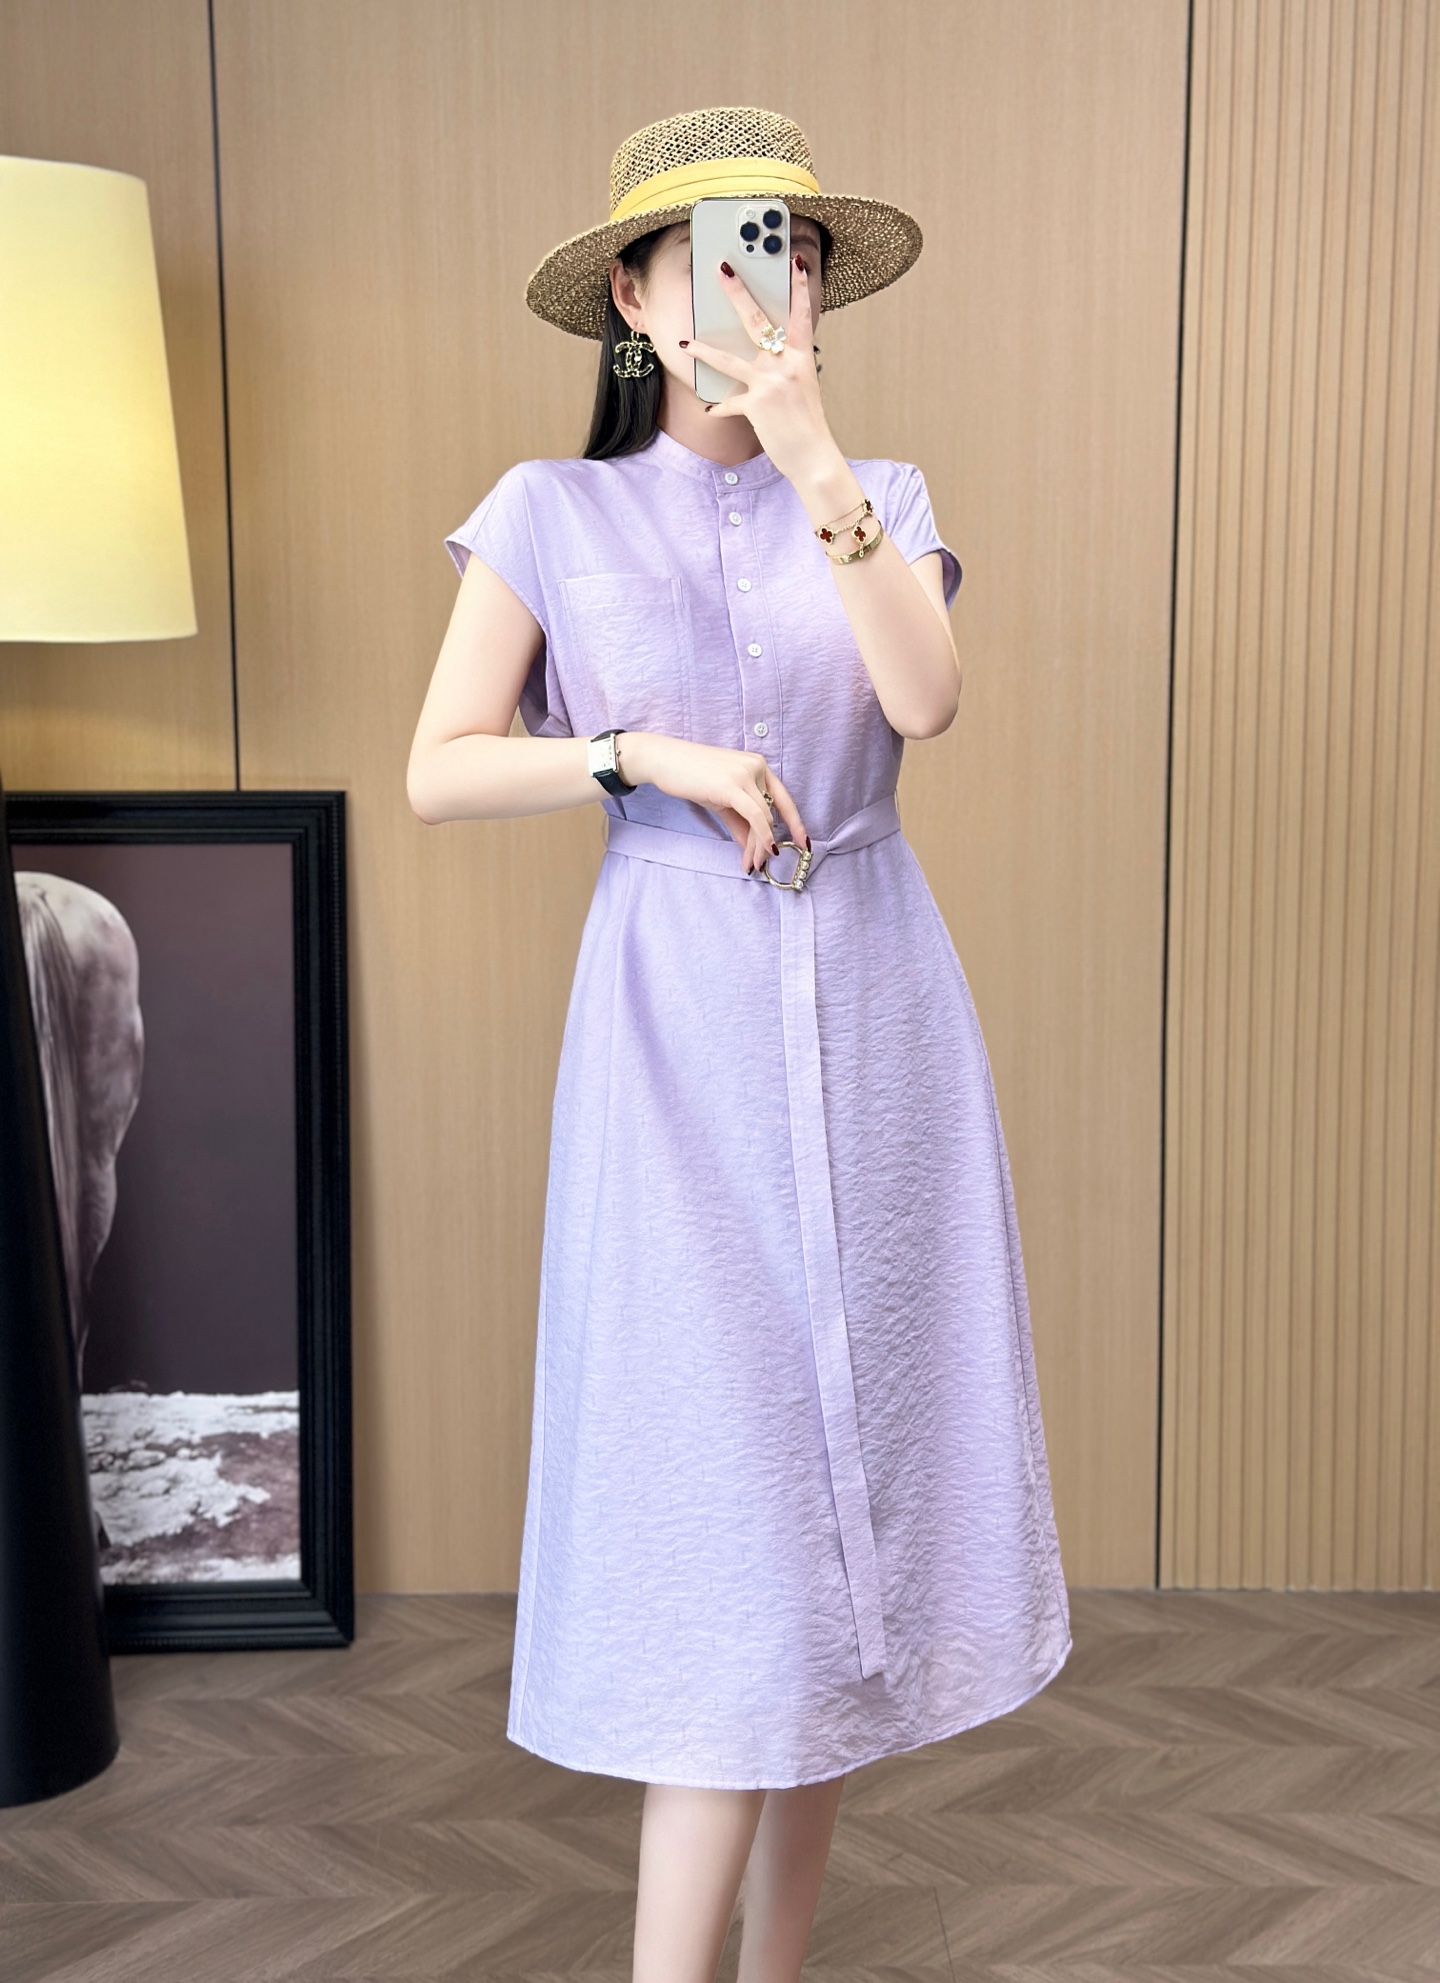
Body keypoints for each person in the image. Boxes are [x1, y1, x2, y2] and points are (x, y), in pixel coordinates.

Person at [407, 105, 1071, 1983]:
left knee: (843, 1517)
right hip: (671, 1037)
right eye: (709, 250)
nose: (754, 284)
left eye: (786, 247)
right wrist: (639, 755)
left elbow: (923, 703)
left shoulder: (881, 492)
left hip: (875, 1010)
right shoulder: (548, 512)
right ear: (632, 296)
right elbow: (439, 768)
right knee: (734, 1518)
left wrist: (811, 456)